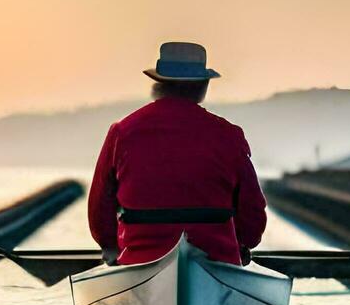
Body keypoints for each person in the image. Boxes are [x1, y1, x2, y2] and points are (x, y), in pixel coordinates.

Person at [88, 41, 267, 266]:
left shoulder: (121, 132)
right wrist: (243, 244)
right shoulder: (229, 135)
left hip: (139, 258)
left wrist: (110, 246)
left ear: (159, 84)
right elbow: (252, 216)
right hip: (216, 257)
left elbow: (99, 210)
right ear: (203, 87)